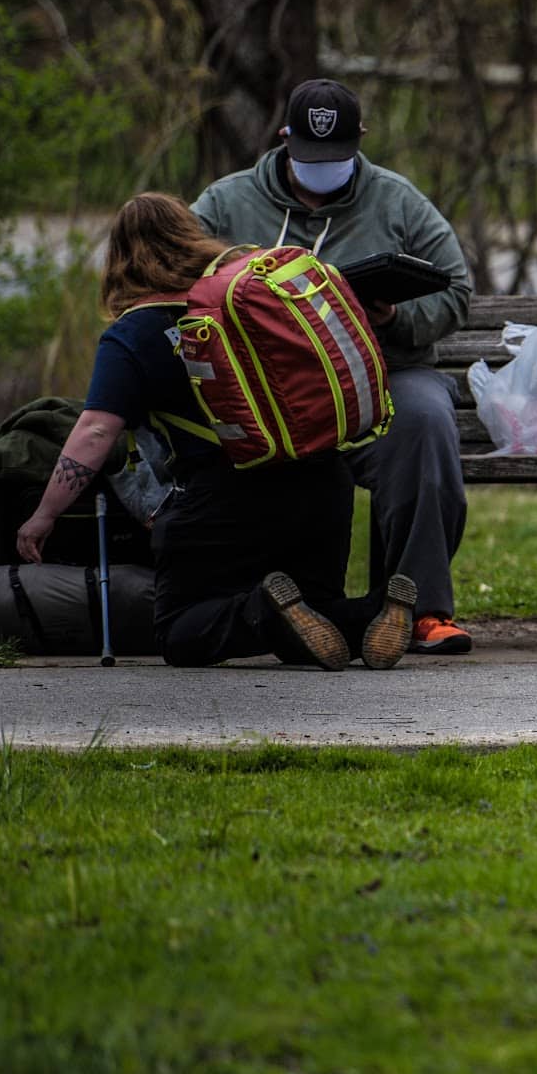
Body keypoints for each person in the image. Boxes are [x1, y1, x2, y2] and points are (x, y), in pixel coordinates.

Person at [15, 194, 415, 669]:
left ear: (119, 260)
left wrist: (44, 514)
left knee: (182, 633)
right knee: (314, 613)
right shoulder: (250, 300)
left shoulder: (134, 333)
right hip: (322, 481)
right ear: (192, 235)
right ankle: (372, 614)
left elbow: (97, 431)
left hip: (225, 498)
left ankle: (264, 609)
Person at [192, 79, 477, 656]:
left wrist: (396, 315)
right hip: (266, 390)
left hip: (381, 377)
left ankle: (417, 608)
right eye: (309, 157)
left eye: (337, 158)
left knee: (425, 418)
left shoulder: (399, 201)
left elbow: (457, 292)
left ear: (361, 141)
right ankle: (246, 604)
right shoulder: (226, 203)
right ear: (284, 138)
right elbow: (176, 281)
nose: (323, 170)